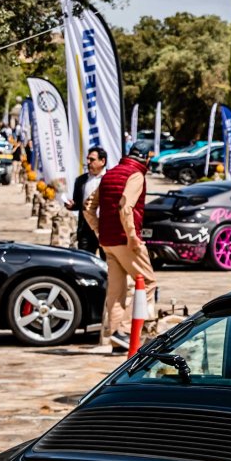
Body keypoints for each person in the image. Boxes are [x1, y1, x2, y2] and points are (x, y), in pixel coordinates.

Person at [85, 145, 158, 352]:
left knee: (116, 291)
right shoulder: (136, 175)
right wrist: (133, 236)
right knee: (148, 282)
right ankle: (125, 331)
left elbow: (88, 207)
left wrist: (99, 232)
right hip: (125, 239)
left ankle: (116, 337)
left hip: (108, 241)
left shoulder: (109, 175)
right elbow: (126, 206)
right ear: (145, 158)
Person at [67, 147, 107, 255]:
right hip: (86, 229)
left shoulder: (110, 178)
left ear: (102, 161)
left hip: (105, 229)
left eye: (92, 159)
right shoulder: (81, 180)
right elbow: (78, 203)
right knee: (85, 261)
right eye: (88, 159)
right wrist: (71, 205)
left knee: (108, 263)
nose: (88, 162)